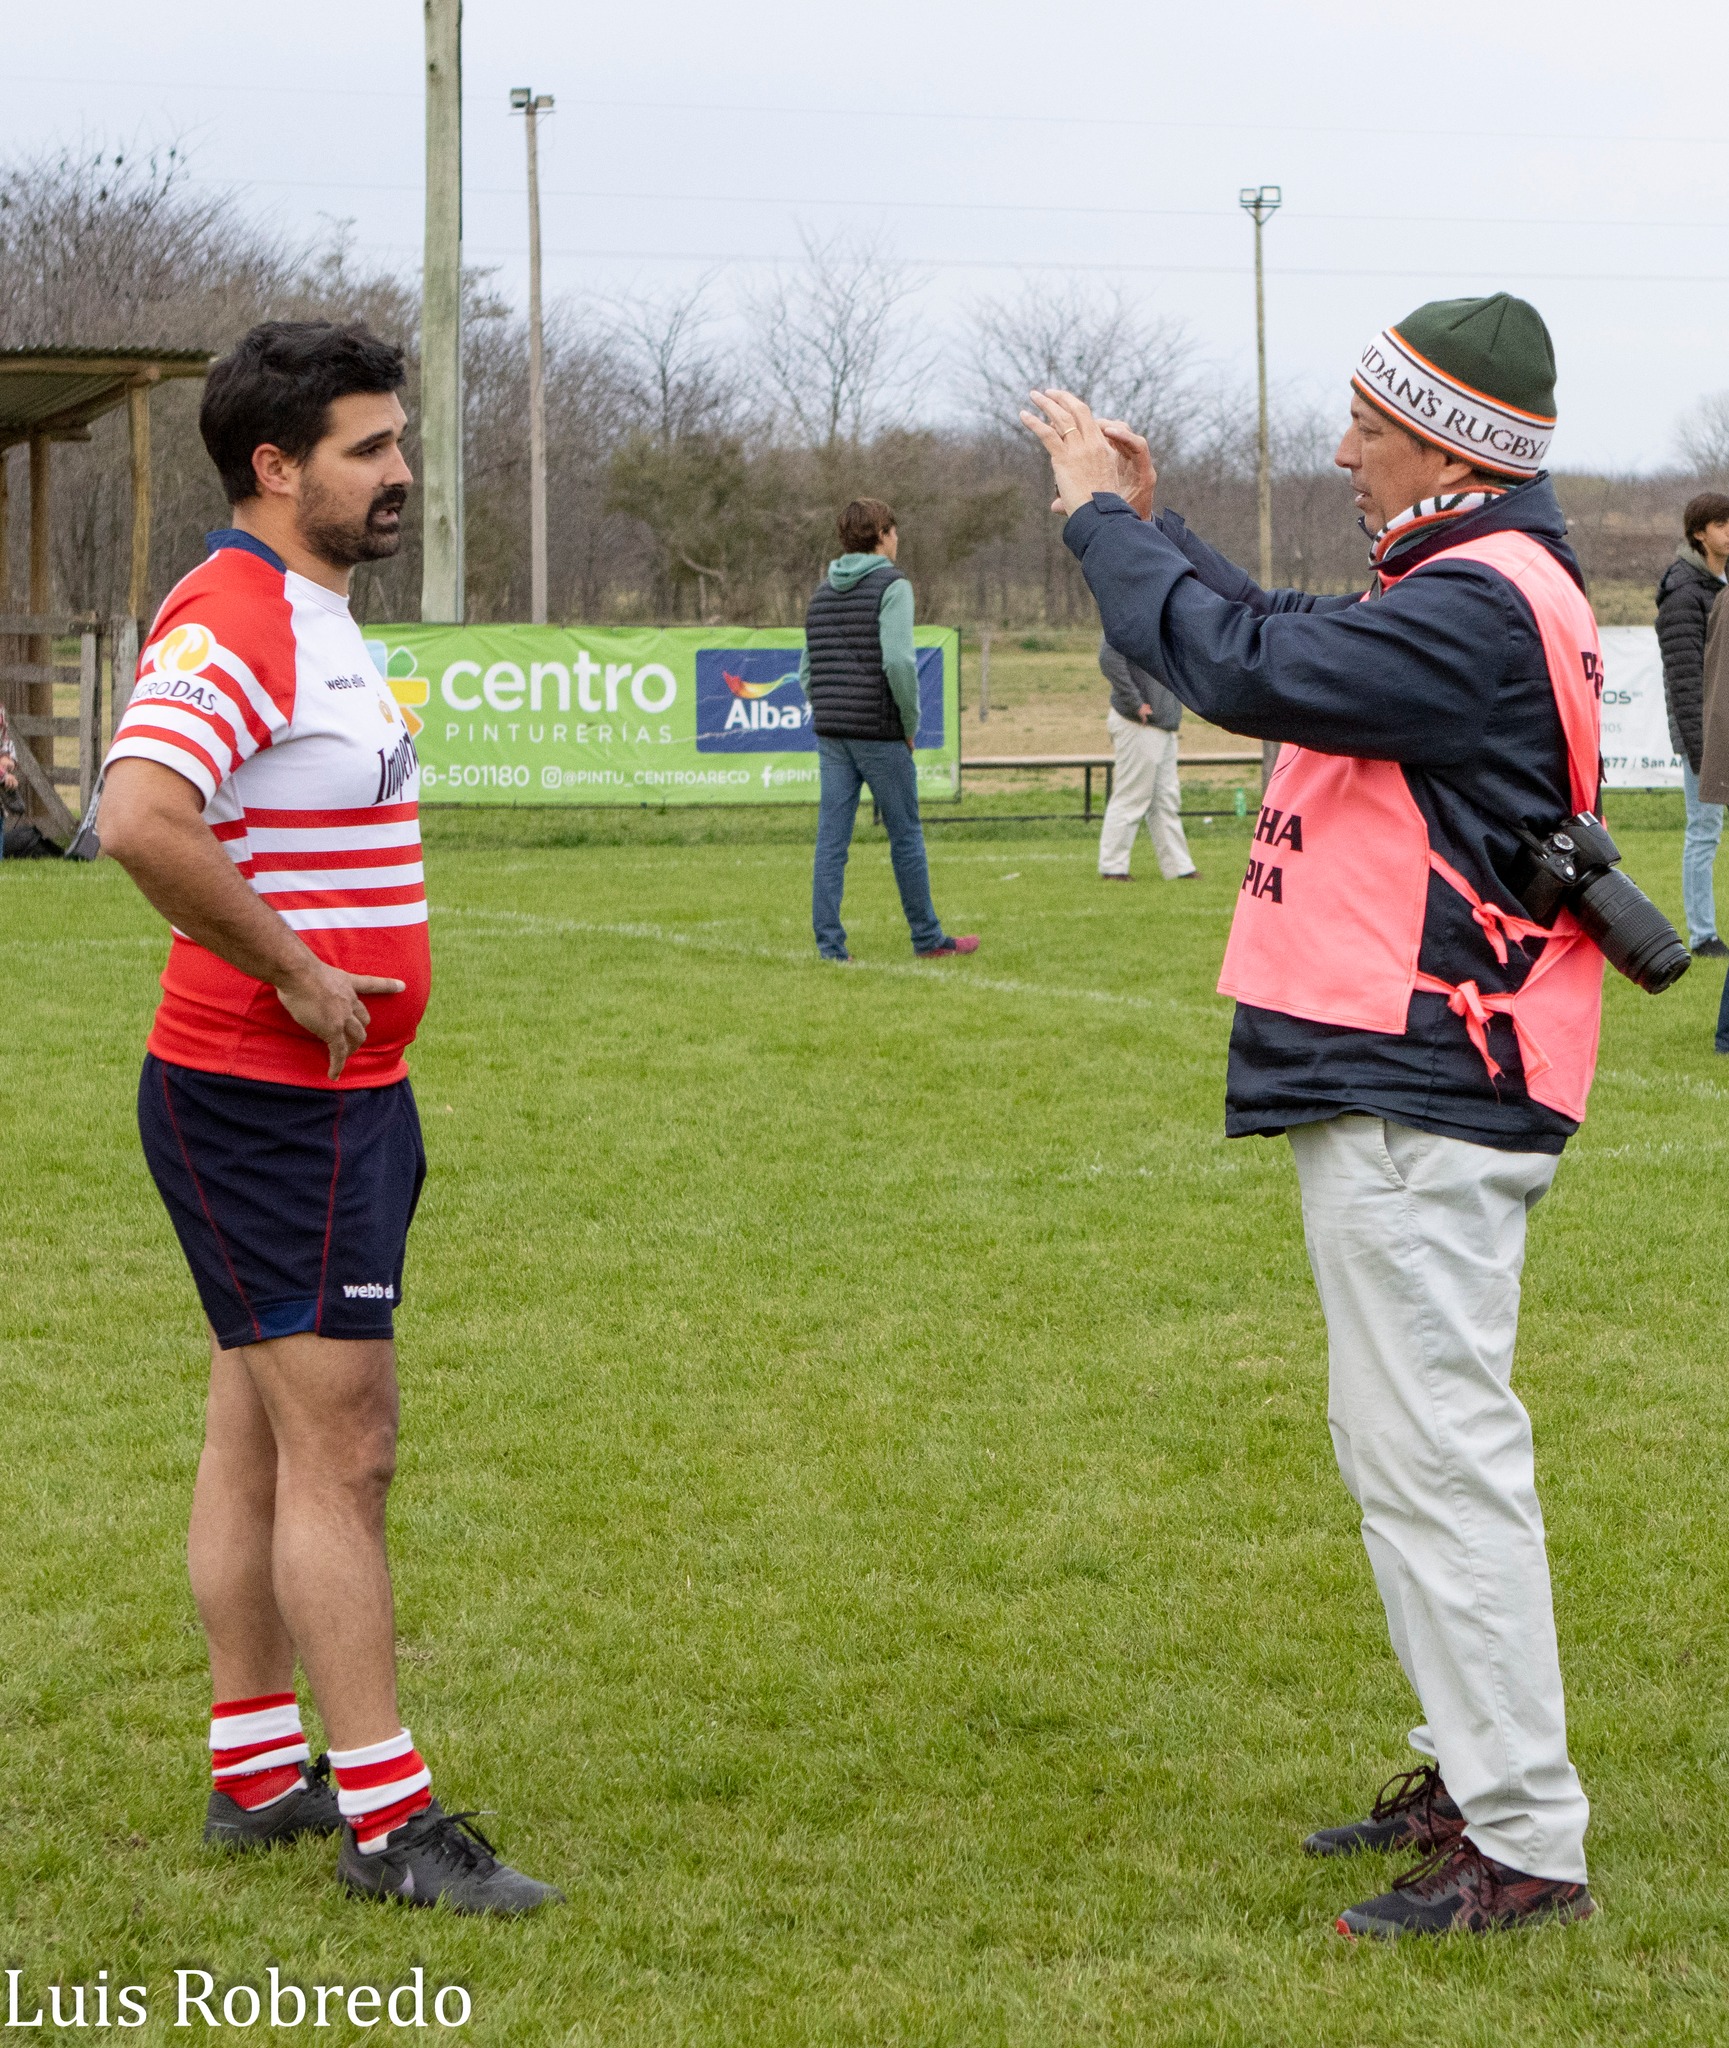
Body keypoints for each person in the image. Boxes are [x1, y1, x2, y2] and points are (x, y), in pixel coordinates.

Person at [1026, 294, 1604, 1941]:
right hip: (1412, 1076)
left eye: (1368, 420)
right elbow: (1273, 625)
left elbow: (1235, 662)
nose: (1342, 445)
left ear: (1450, 442)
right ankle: (1468, 1771)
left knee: (1435, 1463)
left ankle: (1518, 1838)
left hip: (1424, 1079)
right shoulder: (1479, 583)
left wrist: (1089, 524)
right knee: (1407, 1454)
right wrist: (1152, 526)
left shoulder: (1475, 603)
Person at [97, 321, 560, 1916]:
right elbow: (137, 817)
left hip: (345, 1097)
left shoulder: (317, 611)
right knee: (344, 1449)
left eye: (399, 442)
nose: (401, 474)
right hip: (268, 1106)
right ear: (275, 467)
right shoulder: (238, 617)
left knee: (263, 1423)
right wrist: (292, 963)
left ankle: (252, 1766)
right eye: (368, 449)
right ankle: (389, 1821)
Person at [799, 497, 978, 962]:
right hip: (880, 732)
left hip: (832, 733)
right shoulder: (893, 586)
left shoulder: (821, 592)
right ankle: (928, 938)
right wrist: (909, 722)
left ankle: (830, 947)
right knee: (905, 836)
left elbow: (806, 671)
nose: (898, 539)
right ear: (881, 534)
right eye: (894, 531)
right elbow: (899, 660)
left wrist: (831, 707)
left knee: (831, 842)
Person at [1655, 492, 1729, 956]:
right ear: (1699, 532)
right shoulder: (1684, 591)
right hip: (1705, 734)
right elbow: (1685, 681)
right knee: (1703, 831)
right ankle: (1703, 937)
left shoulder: (1721, 584)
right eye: (1722, 524)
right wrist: (1702, 751)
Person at [1096, 637, 1196, 882]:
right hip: (1138, 724)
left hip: (1162, 724)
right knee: (1132, 795)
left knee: (1165, 798)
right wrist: (1135, 702)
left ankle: (1178, 868)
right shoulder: (1128, 616)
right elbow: (1108, 658)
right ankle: (1113, 867)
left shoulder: (1156, 617)